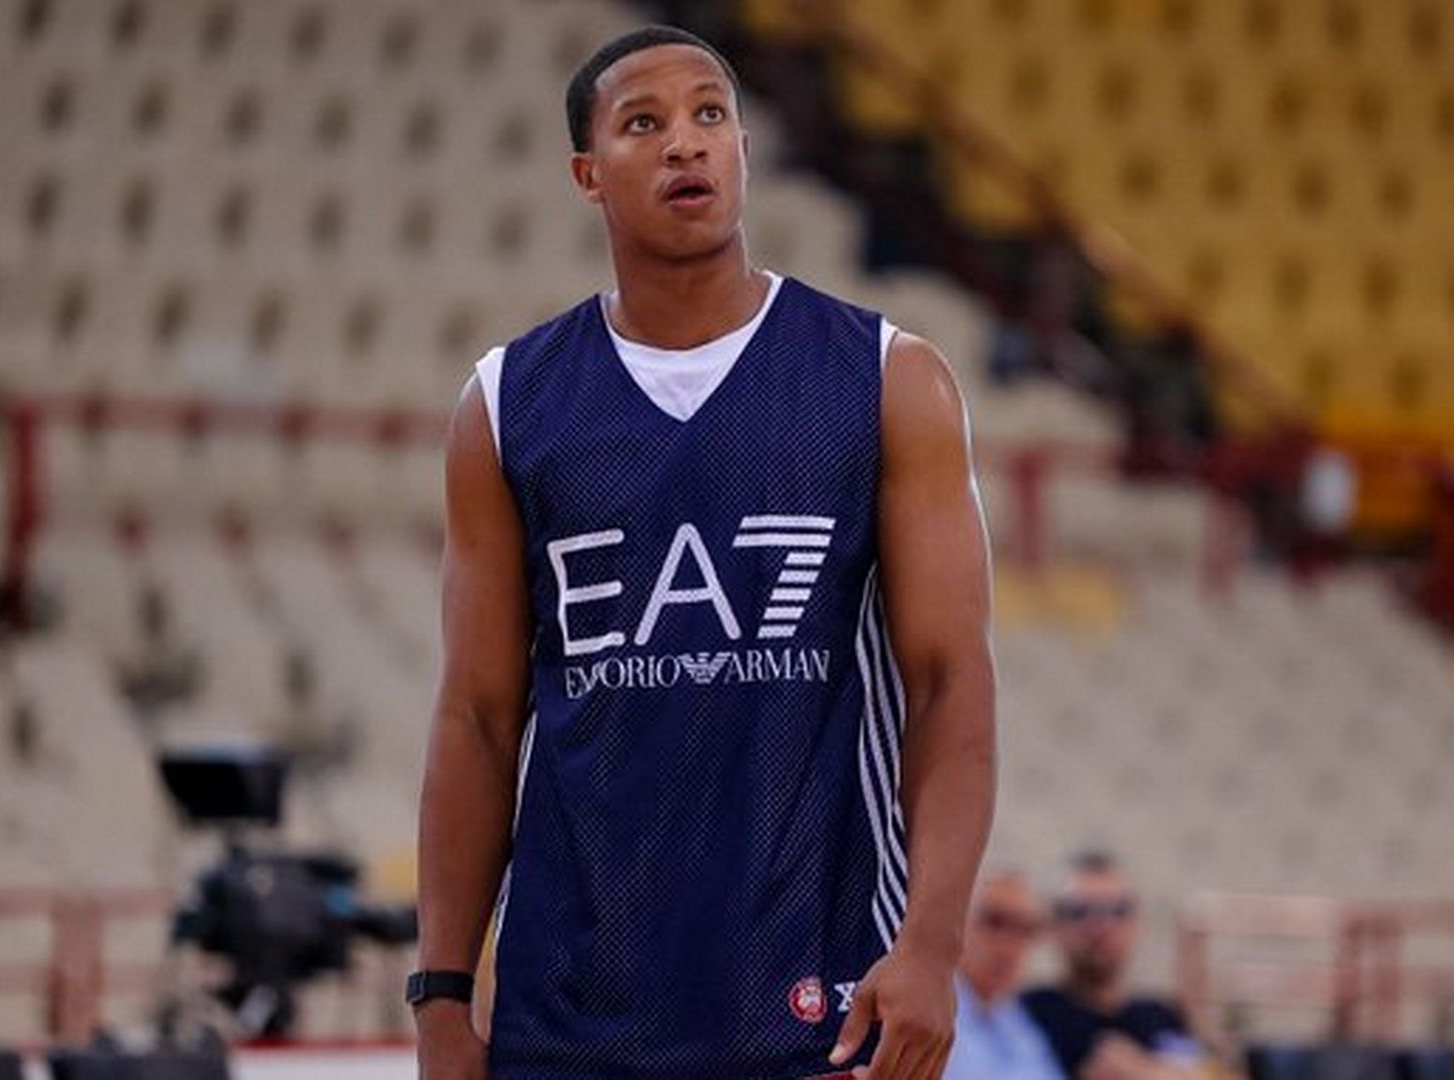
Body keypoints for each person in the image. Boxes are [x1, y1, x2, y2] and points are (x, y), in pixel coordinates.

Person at [412, 24, 998, 1080]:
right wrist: (441, 994)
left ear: (742, 150)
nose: (685, 143)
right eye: (644, 124)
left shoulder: (886, 378)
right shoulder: (506, 403)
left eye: (709, 115)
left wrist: (932, 946)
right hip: (566, 1013)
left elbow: (950, 683)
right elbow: (479, 719)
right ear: (588, 175)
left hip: (820, 1002)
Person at [1021, 852, 1204, 1080]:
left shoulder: (1162, 1017)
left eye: (1117, 911)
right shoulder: (1028, 1015)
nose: (1101, 926)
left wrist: (1141, 1073)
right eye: (1080, 912)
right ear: (1052, 925)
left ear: (1137, 923)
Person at [944, 868, 1066, 1080]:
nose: (1009, 946)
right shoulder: (927, 1016)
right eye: (994, 922)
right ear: (958, 923)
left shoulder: (1018, 1020)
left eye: (1025, 930)